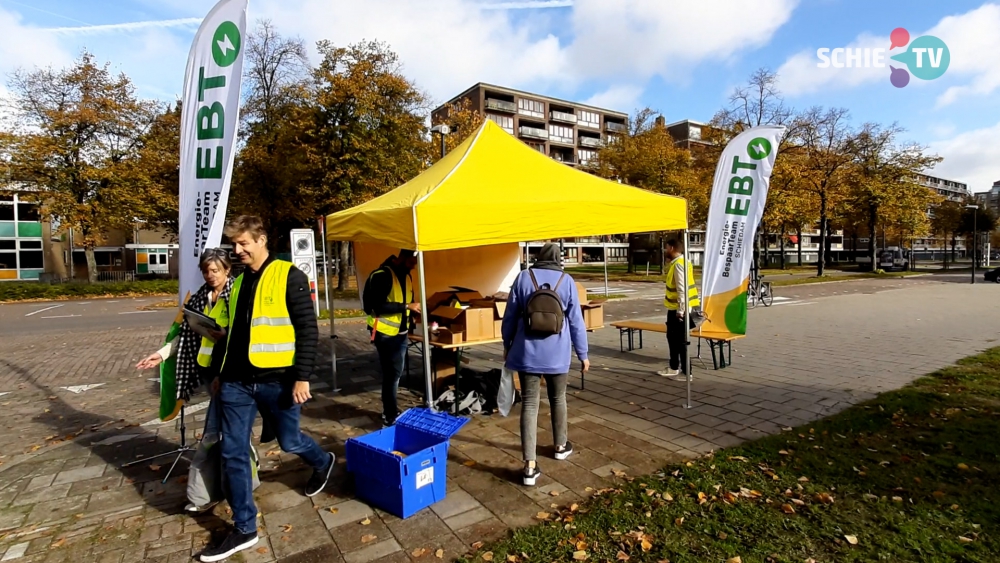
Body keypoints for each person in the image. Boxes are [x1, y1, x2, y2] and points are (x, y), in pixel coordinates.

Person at [199, 216, 332, 563]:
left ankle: (323, 461)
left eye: (243, 243)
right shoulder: (239, 281)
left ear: (261, 240)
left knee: (290, 441)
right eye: (234, 245)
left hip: (278, 381)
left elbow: (307, 328)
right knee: (233, 452)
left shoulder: (289, 275)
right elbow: (234, 333)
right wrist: (219, 369)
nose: (238, 251)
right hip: (235, 382)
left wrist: (302, 377)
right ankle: (245, 527)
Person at [135, 248, 236, 514]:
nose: (210, 275)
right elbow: (185, 335)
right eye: (206, 271)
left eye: (215, 270)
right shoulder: (201, 296)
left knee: (213, 434)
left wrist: (224, 335)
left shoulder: (237, 294)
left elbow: (243, 336)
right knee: (232, 433)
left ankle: (202, 496)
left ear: (227, 270)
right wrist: (160, 354)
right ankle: (243, 480)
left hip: (228, 373)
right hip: (206, 372)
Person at [501, 242, 589, 487]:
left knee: (530, 404)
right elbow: (576, 322)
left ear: (539, 257)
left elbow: (509, 316)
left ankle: (529, 466)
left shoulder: (523, 278)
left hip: (526, 353)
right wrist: (583, 354)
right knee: (558, 399)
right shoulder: (567, 281)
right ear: (558, 258)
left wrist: (507, 345)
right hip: (557, 355)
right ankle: (560, 446)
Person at [362, 249, 420, 427]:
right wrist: (406, 306)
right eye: (411, 262)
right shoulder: (382, 275)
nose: (413, 267)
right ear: (401, 258)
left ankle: (391, 410)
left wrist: (412, 314)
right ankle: (390, 413)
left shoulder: (406, 276)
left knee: (394, 374)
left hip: (401, 333)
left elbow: (407, 301)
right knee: (392, 375)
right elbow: (375, 306)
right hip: (385, 333)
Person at [657, 238, 700, 378]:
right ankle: (675, 367)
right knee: (675, 339)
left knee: (679, 341)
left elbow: (682, 289)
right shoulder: (683, 262)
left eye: (666, 248)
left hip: (678, 310)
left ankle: (685, 372)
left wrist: (680, 311)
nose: (665, 251)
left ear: (671, 248)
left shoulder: (678, 265)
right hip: (680, 308)